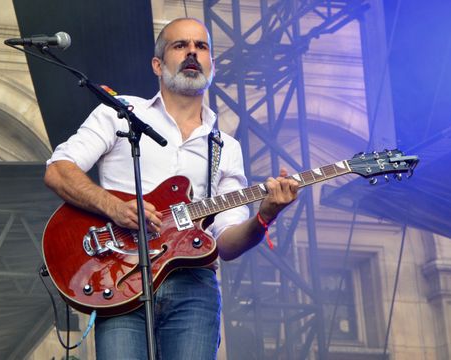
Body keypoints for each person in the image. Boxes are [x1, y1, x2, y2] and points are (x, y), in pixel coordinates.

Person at [44, 17, 299, 360]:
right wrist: (114, 207)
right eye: (180, 45)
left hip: (193, 288)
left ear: (211, 63)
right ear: (157, 64)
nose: (192, 52)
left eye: (201, 46)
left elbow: (226, 243)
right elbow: (59, 170)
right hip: (119, 277)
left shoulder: (225, 147)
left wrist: (266, 217)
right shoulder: (120, 115)